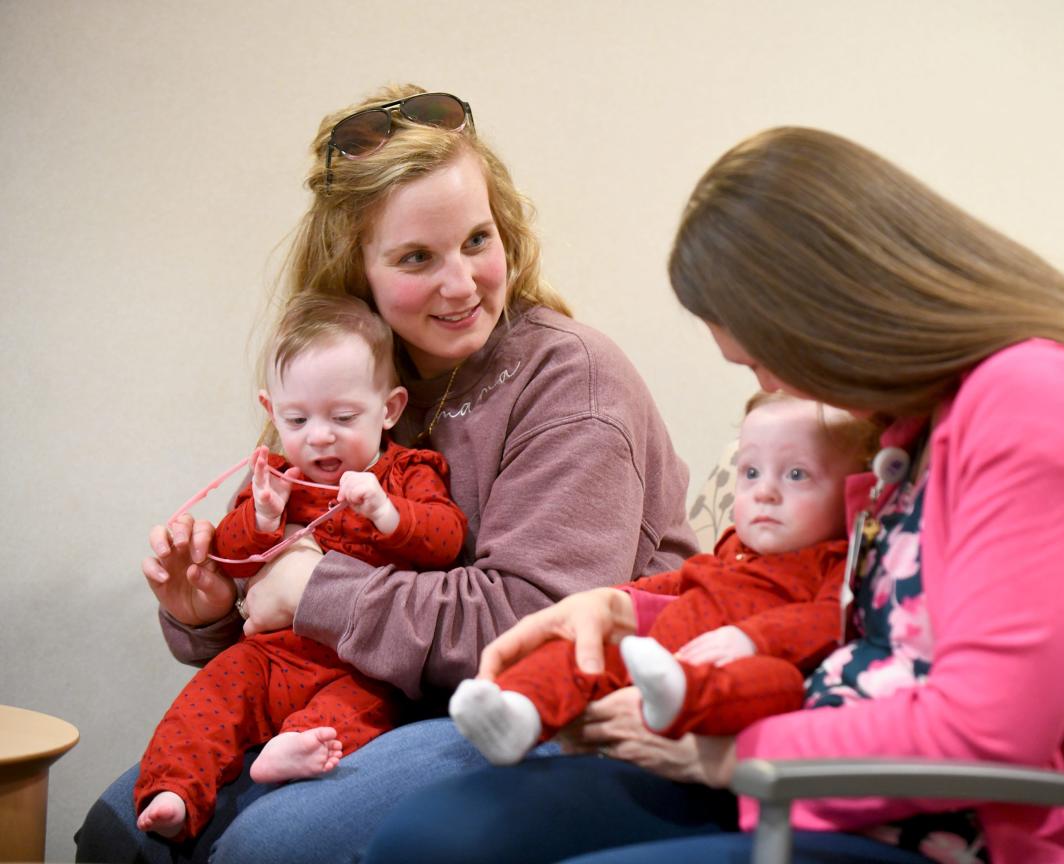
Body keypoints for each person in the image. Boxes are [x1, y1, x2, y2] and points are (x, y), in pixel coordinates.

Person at [363, 126, 1064, 864]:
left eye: (762, 356)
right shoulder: (909, 429)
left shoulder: (1037, 402)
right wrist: (626, 615)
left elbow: (989, 734)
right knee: (437, 840)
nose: (769, 383)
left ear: (826, 309)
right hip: (828, 789)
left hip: (981, 833)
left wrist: (725, 752)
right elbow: (817, 601)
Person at [76, 85, 698, 864]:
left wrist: (312, 592)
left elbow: (536, 624)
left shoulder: (572, 383)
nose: (461, 282)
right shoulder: (355, 380)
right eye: (415, 257)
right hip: (384, 699)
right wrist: (210, 610)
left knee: (271, 848)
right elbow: (283, 603)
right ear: (355, 267)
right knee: (122, 826)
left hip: (556, 713)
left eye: (478, 239)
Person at [134, 292, 468, 840]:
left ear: (389, 409)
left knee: (364, 709)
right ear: (272, 412)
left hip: (364, 663)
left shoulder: (409, 472)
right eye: (297, 418)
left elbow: (446, 538)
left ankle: (296, 744)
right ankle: (174, 788)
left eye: (343, 416)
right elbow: (231, 555)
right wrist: (263, 517)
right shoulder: (278, 479)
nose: (319, 435)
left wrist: (388, 512)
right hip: (273, 654)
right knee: (211, 697)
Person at [450, 392, 875, 764]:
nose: (765, 492)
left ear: (853, 493)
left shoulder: (836, 563)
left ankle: (679, 697)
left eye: (796, 474)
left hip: (735, 676)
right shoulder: (733, 549)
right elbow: (681, 582)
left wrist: (754, 640)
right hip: (659, 658)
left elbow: (827, 622)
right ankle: (516, 713)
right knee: (583, 653)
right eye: (750, 473)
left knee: (778, 684)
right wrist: (616, 602)